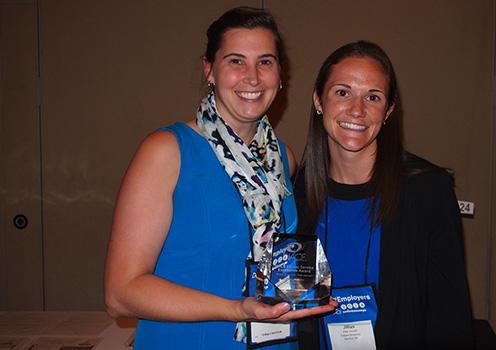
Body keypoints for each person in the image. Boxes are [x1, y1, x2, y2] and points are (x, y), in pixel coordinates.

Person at [103, 7, 335, 350]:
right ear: (209, 70)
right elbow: (120, 294)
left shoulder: (283, 158)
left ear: (280, 74)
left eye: (265, 62)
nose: (252, 77)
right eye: (236, 61)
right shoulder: (167, 151)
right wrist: (237, 309)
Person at [294, 41, 474, 349]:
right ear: (318, 100)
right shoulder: (297, 191)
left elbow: (450, 318)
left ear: (389, 110)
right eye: (342, 92)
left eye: (373, 97)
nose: (357, 109)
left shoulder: (427, 192)